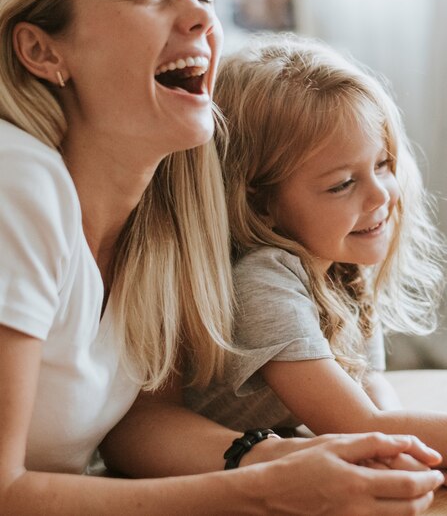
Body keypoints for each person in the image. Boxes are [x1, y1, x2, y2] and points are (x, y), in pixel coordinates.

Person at [0, 0, 443, 514]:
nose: (202, 20)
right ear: (43, 50)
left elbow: (140, 421)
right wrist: (261, 490)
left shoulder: (160, 219)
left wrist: (278, 457)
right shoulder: (18, 182)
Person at [185, 32, 447, 460]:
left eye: (382, 164)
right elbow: (359, 425)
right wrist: (395, 443)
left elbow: (371, 388)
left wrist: (403, 452)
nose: (381, 194)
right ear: (259, 202)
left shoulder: (342, 267)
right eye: (343, 184)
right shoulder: (263, 282)